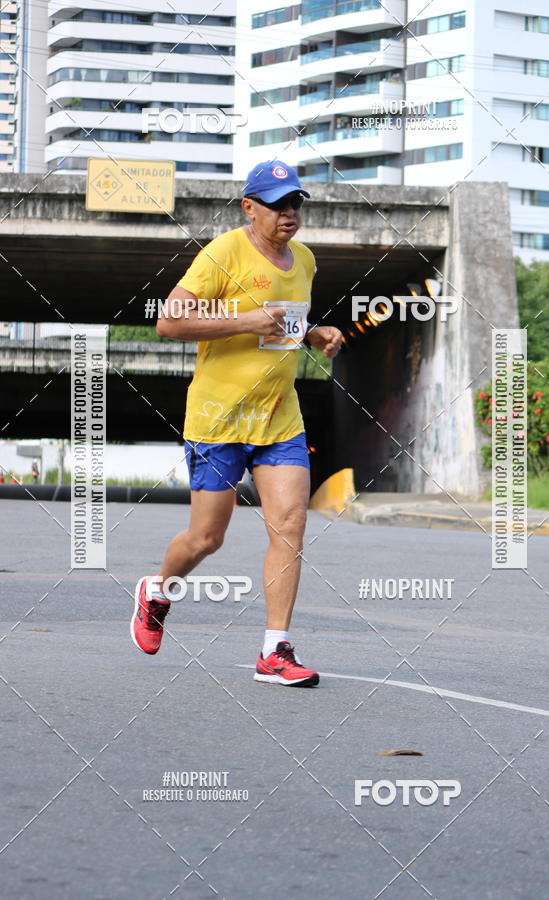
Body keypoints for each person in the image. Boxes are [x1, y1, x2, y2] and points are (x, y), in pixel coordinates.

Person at [130, 161, 342, 686]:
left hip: (278, 417)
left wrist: (313, 335)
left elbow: (283, 319)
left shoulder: (305, 260)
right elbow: (169, 322)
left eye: (295, 203)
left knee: (290, 524)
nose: (288, 213)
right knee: (206, 538)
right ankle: (157, 590)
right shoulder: (223, 253)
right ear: (249, 207)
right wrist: (243, 321)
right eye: (276, 203)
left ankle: (276, 651)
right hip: (218, 417)